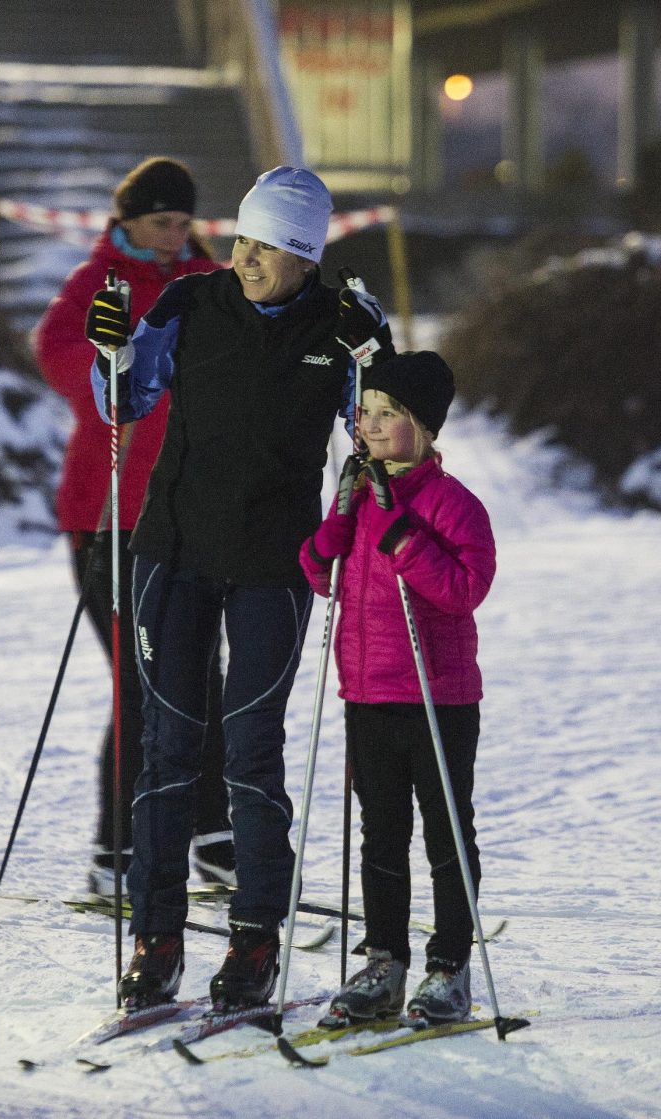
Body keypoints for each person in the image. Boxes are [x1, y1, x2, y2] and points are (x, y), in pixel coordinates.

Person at [85, 166, 396, 1010]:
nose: (247, 258)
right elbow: (127, 397)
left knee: (253, 752)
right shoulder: (189, 304)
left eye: (268, 247)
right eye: (243, 240)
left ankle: (255, 939)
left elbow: (384, 437)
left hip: (275, 563)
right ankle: (156, 938)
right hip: (173, 550)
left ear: (306, 256)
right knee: (167, 746)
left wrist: (380, 368)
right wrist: (110, 345)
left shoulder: (342, 326)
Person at [34, 157, 235, 898]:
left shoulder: (207, 283)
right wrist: (108, 358)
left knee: (202, 678)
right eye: (160, 222)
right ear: (128, 219)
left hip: (191, 510)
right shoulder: (101, 282)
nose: (172, 236)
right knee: (142, 683)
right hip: (108, 515)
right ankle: (113, 855)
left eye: (183, 223)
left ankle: (214, 840)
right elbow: (56, 354)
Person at [298, 351, 496, 1024]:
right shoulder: (355, 489)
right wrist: (336, 527)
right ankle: (384, 958)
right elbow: (324, 575)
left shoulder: (453, 503)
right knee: (380, 835)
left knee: (445, 831)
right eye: (366, 412)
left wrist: (401, 533)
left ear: (426, 427)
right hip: (367, 693)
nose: (372, 426)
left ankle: (449, 963)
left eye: (390, 415)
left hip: (437, 696)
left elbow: (465, 589)